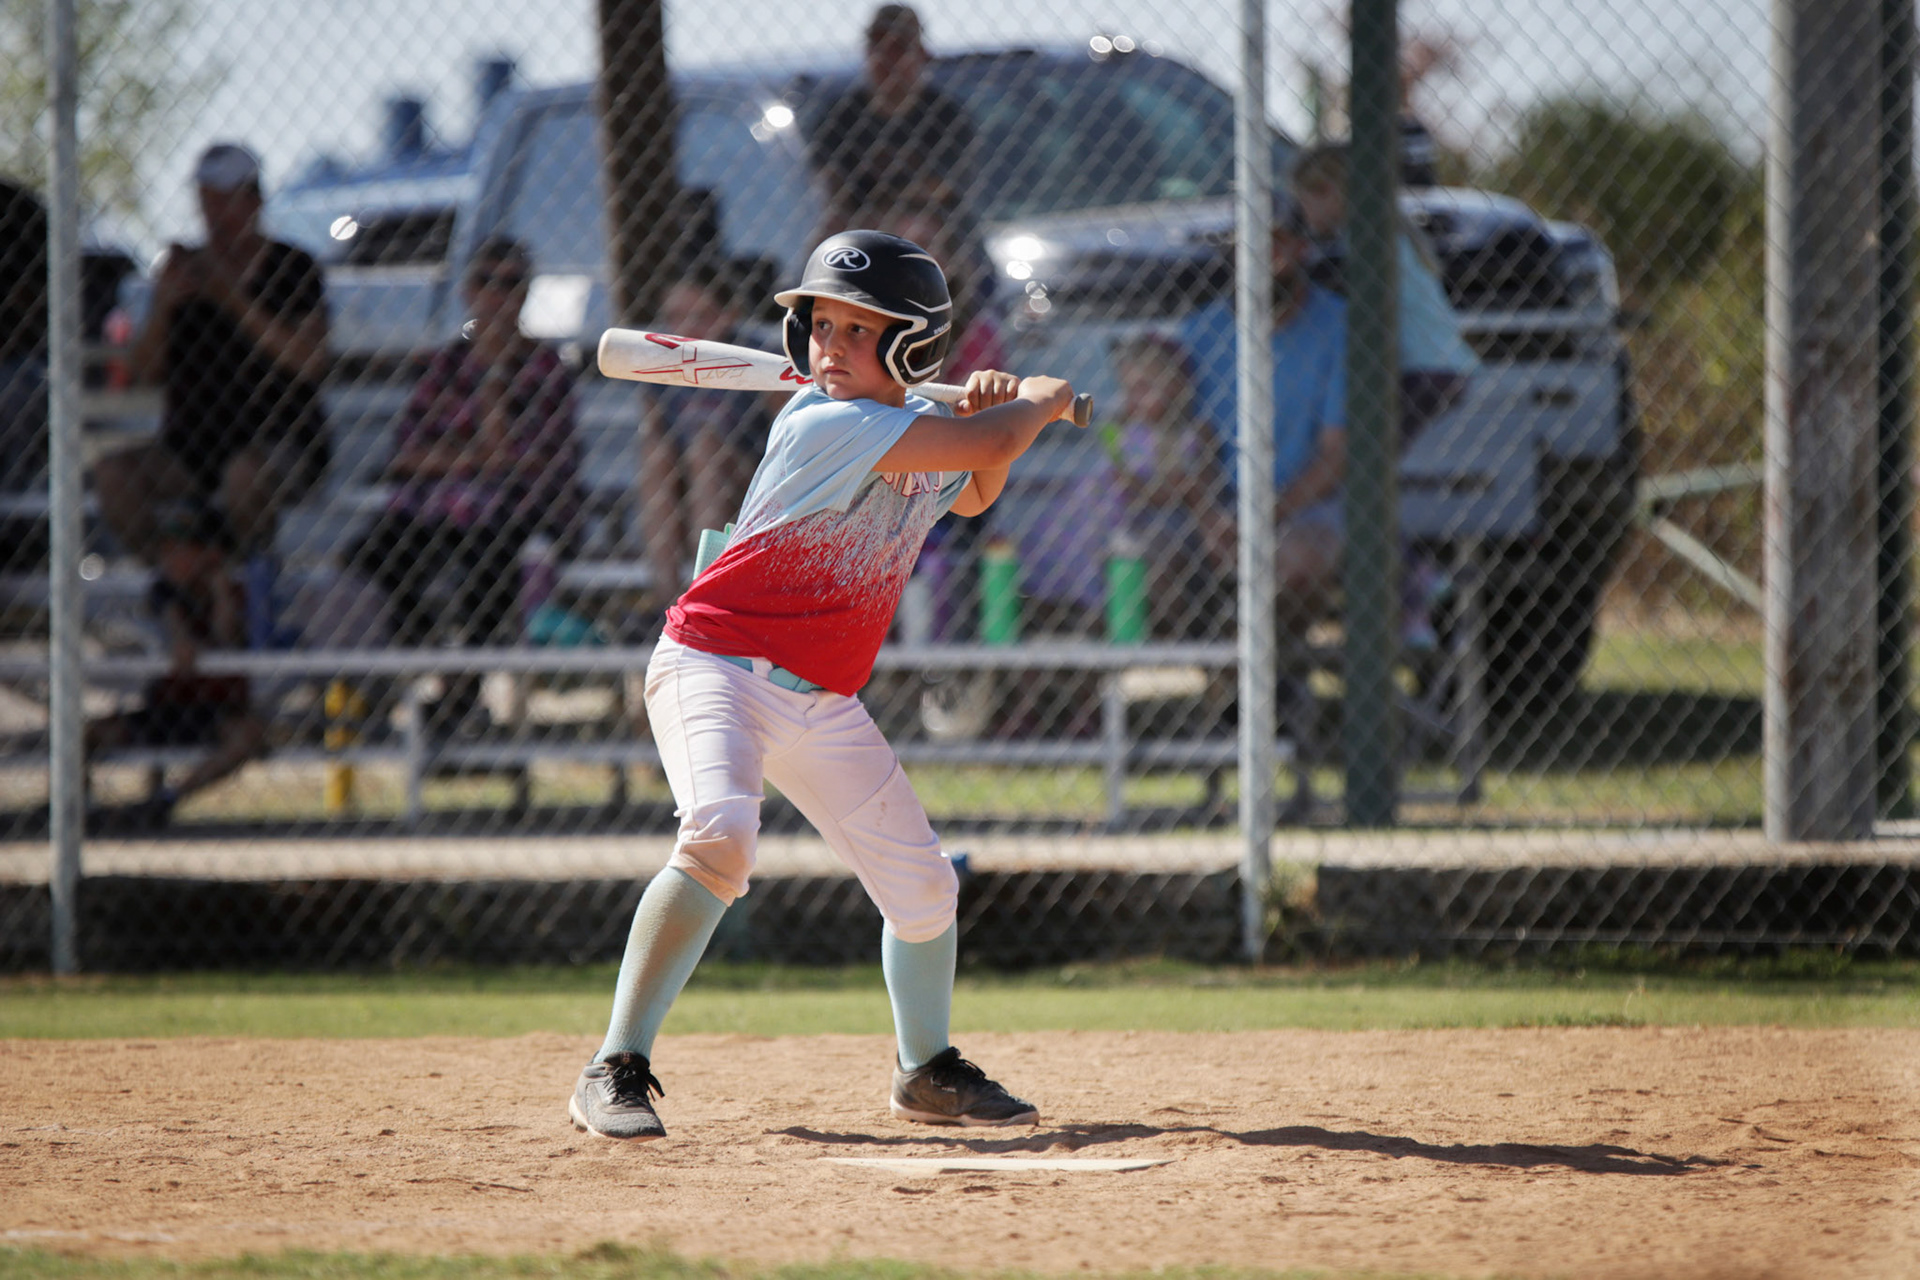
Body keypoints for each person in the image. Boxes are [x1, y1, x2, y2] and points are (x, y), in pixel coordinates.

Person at [569, 230, 1078, 1141]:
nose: (830, 346)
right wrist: (1031, 403)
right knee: (721, 838)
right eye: (821, 326)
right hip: (715, 665)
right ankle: (615, 1064)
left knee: (924, 889)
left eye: (858, 330)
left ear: (912, 346)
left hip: (821, 700)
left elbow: (973, 488)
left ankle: (924, 1069)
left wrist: (994, 423)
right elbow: (994, 438)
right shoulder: (827, 424)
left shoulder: (910, 427)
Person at [347, 236, 579, 735]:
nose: (496, 295)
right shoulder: (446, 363)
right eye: (485, 281)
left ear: (525, 293)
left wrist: (492, 382)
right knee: (375, 555)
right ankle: (420, 680)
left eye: (510, 283)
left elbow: (527, 460)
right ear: (467, 291)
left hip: (514, 513)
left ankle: (459, 693)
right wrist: (473, 458)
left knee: (488, 557)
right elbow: (407, 454)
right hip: (435, 510)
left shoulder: (544, 367)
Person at [97, 143, 330, 560]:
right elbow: (143, 374)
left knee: (243, 475)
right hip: (192, 448)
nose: (215, 216)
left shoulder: (293, 266)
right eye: (206, 203)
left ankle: (246, 576)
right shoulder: (185, 272)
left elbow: (309, 361)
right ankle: (177, 576)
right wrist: (163, 306)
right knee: (114, 474)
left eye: (226, 202)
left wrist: (234, 299)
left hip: (279, 440)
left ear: (254, 202)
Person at [1180, 193, 1350, 616]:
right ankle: (1219, 655)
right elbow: (1187, 442)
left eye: (1275, 240)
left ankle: (1276, 656)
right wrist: (1210, 517)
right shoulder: (1201, 332)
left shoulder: (1340, 327)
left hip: (1305, 506)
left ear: (1301, 247)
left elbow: (1337, 455)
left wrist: (1264, 516)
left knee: (1298, 563)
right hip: (1214, 505)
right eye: (1247, 243)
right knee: (1149, 558)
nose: (1260, 254)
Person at [1016, 333, 1231, 640]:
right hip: (1109, 516)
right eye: (1129, 389)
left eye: (1144, 388)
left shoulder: (1194, 433)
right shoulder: (1123, 430)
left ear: (1176, 387)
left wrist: (1146, 487)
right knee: (1086, 524)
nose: (1134, 399)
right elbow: (1120, 478)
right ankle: (1078, 610)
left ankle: (1176, 632)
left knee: (1146, 554)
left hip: (1160, 522)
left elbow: (1189, 489)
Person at [84, 499, 267, 830]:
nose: (168, 558)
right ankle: (74, 809)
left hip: (218, 710)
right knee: (87, 733)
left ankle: (166, 800)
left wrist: (219, 591)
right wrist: (183, 640)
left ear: (213, 556)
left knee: (249, 735)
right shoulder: (165, 591)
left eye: (181, 550)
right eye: (166, 549)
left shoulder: (236, 592)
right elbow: (179, 638)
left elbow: (226, 637)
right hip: (169, 708)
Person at [1290, 141, 1477, 445]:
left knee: (1359, 450)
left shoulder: (1367, 240)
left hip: (1420, 371)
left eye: (1303, 201)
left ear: (1327, 191)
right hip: (1444, 365)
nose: (1303, 214)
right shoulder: (1385, 230)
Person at [638, 259, 776, 602]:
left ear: (728, 316)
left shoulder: (756, 359)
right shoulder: (662, 367)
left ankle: (705, 595)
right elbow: (655, 434)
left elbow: (786, 440)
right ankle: (666, 598)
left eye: (700, 316)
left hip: (748, 482)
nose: (687, 328)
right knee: (656, 456)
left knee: (705, 446)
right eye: (675, 318)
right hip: (684, 488)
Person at [806, 5, 977, 234]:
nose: (887, 58)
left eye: (898, 48)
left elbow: (943, 187)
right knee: (827, 237)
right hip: (858, 222)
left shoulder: (945, 114)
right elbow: (830, 184)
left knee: (913, 231)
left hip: (933, 223)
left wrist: (884, 206)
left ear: (921, 54)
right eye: (878, 46)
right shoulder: (841, 115)